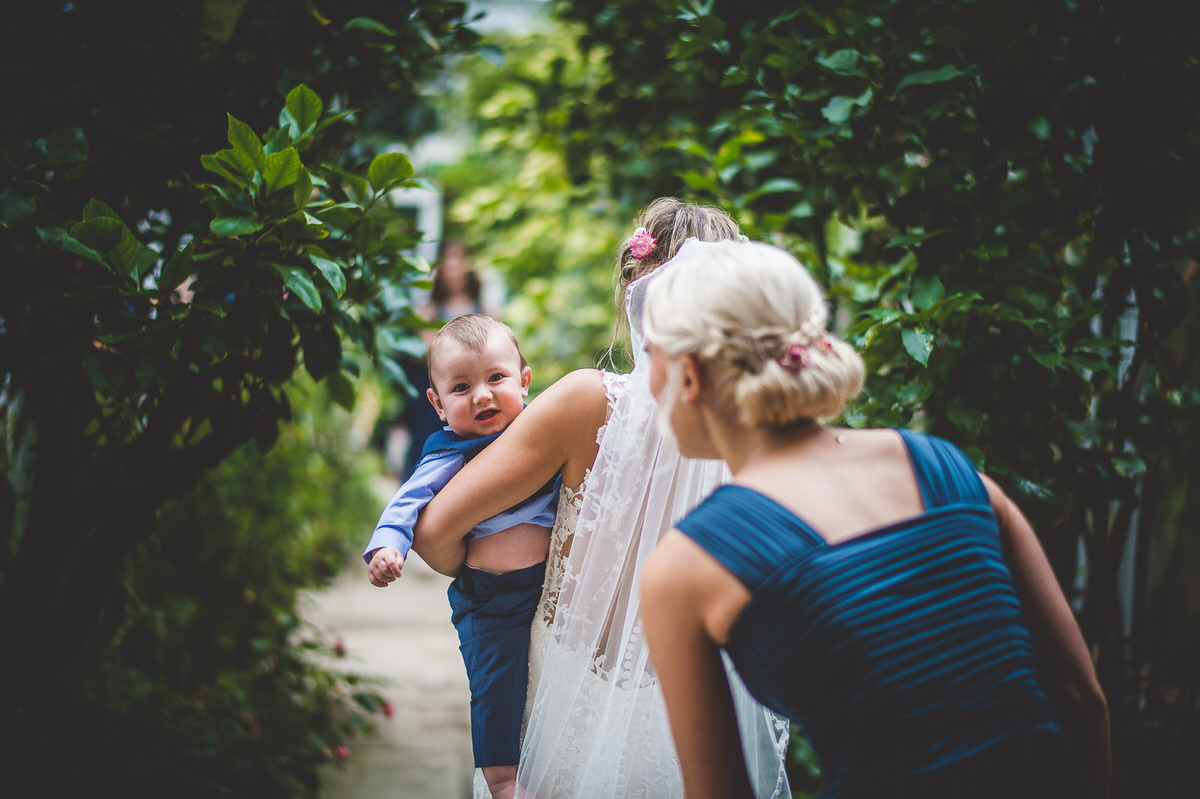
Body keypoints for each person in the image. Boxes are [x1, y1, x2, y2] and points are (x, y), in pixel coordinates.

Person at [637, 239, 1112, 799]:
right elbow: (1082, 699)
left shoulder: (685, 568)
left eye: (651, 355)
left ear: (688, 374)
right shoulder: (948, 469)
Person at [412, 198, 791, 798]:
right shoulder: (763, 435)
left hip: (559, 711)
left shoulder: (588, 403)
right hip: (691, 731)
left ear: (633, 286)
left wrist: (497, 568)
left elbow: (432, 533)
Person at [364, 314, 559, 799]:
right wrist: (389, 544)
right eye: (462, 387)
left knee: (544, 694)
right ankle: (501, 781)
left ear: (524, 379)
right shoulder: (452, 452)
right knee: (496, 688)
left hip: (548, 589)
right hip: (491, 599)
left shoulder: (543, 434)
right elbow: (407, 502)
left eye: (497, 378)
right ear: (436, 402)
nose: (483, 395)